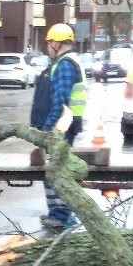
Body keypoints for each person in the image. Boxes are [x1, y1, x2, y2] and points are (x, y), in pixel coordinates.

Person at [30, 23, 87, 231]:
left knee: (56, 173)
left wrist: (47, 129)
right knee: (54, 171)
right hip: (63, 126)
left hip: (61, 127)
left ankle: (61, 216)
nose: (47, 46)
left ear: (57, 43)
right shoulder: (63, 62)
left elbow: (60, 103)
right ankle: (58, 214)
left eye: (49, 42)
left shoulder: (65, 65)